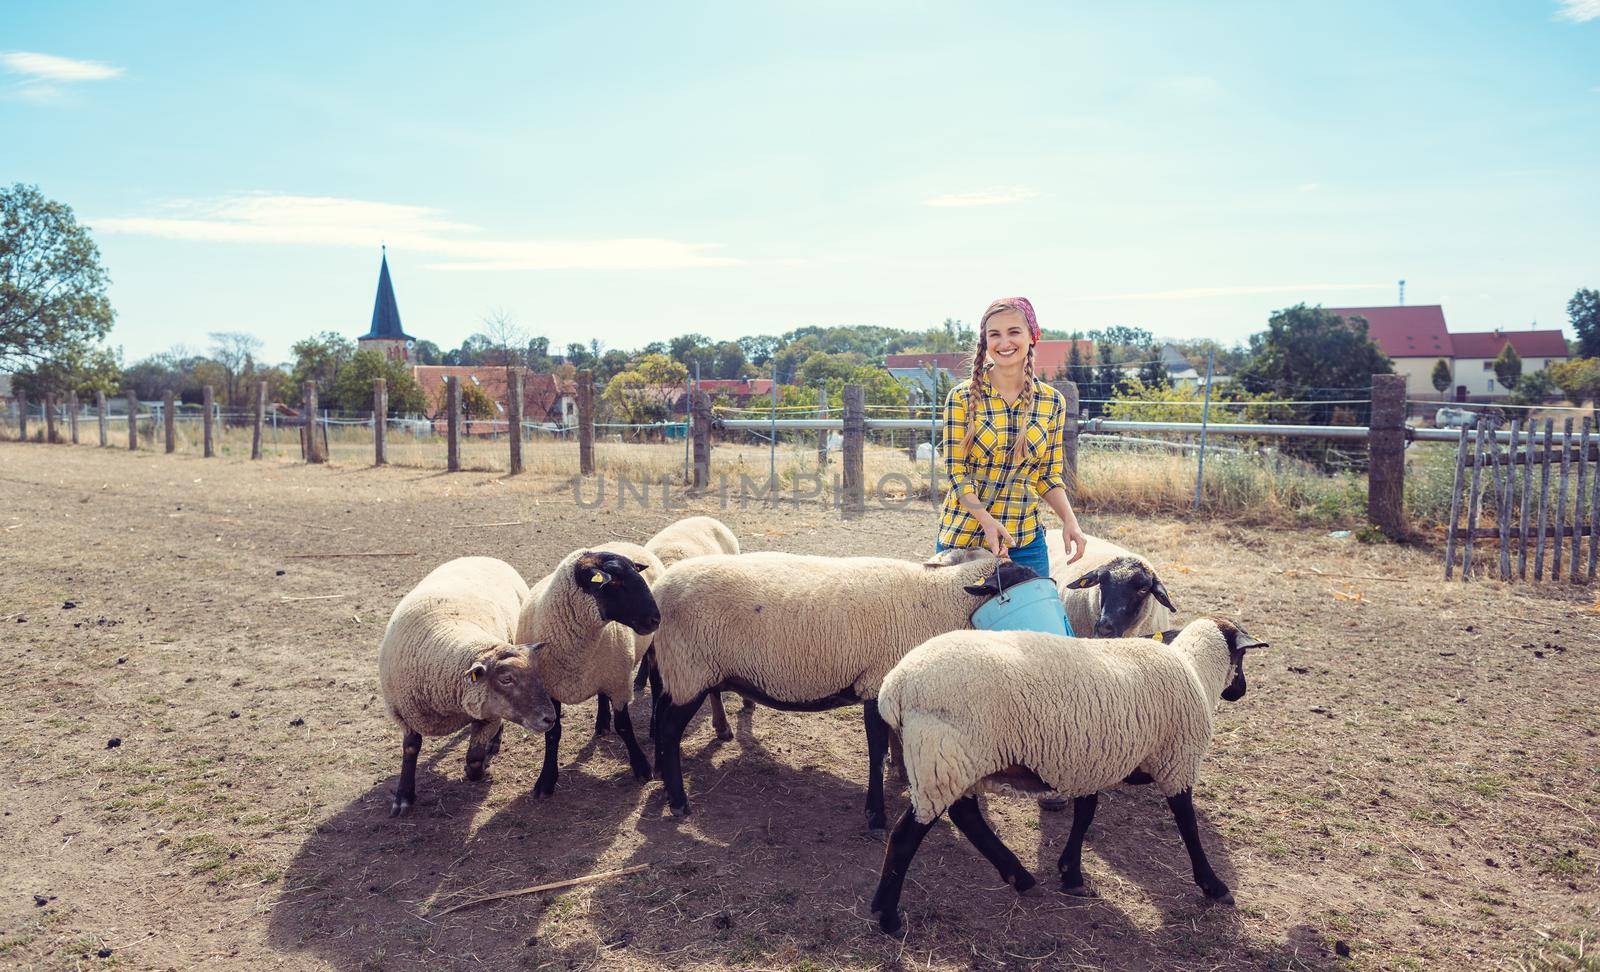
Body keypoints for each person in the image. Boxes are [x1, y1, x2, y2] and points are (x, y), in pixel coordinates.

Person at [937, 296, 1088, 585]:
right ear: (985, 341)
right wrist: (986, 521)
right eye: (995, 334)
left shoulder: (1051, 402)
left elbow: (1048, 476)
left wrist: (1070, 520)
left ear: (1033, 336)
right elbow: (957, 473)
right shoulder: (961, 398)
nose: (1004, 342)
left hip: (1025, 542)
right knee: (957, 628)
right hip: (963, 539)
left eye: (1014, 332)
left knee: (1040, 628)